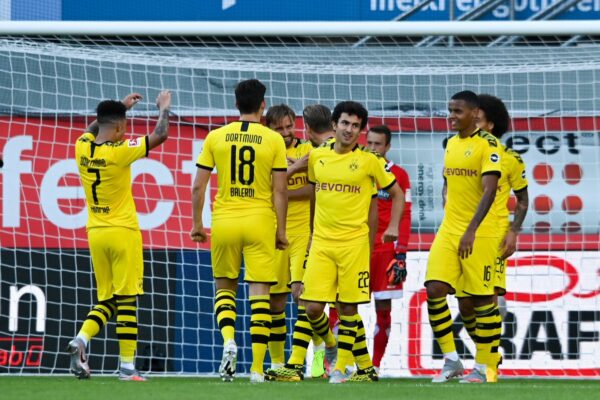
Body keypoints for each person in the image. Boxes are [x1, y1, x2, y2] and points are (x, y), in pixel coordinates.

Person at [268, 101, 405, 384]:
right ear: (334, 125)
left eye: (355, 126)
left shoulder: (370, 161)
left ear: (360, 131)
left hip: (353, 244)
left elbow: (397, 193)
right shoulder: (318, 157)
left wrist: (391, 228)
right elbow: (316, 194)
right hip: (320, 242)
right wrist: (310, 233)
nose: (349, 130)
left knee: (347, 308)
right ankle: (338, 356)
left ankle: (338, 367)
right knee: (311, 306)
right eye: (345, 123)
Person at [68, 90, 172, 381]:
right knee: (127, 300)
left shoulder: (82, 147)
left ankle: (82, 339)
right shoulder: (120, 151)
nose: (125, 131)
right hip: (123, 232)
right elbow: (160, 135)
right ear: (118, 128)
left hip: (96, 233)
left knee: (107, 299)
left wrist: (119, 110)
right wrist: (163, 108)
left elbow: (95, 129)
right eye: (124, 125)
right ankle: (127, 368)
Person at [190, 79, 288, 383]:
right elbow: (280, 191)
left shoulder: (215, 137)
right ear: (263, 105)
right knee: (260, 294)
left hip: (225, 220)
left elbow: (198, 186)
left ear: (235, 105)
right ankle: (258, 369)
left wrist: (196, 224)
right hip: (259, 219)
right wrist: (281, 231)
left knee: (225, 289)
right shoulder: (273, 140)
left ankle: (228, 340)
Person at [426, 90, 503, 384]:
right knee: (434, 288)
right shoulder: (451, 144)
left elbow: (490, 190)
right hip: (449, 229)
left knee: (482, 300)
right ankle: (451, 360)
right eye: (450, 110)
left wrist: (471, 230)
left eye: (458, 111)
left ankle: (484, 368)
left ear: (475, 113)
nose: (452, 116)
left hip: (479, 232)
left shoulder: (489, 146)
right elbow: (449, 180)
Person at [456, 94, 529, 383]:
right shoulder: (463, 150)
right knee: (464, 304)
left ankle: (486, 366)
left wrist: (514, 230)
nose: (472, 120)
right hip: (464, 235)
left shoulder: (510, 158)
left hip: (493, 236)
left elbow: (522, 199)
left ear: (491, 124)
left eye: (479, 118)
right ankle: (489, 353)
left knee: (488, 299)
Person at [264, 104, 317, 372]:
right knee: (275, 303)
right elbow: (266, 190)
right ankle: (276, 364)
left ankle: (319, 357)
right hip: (274, 233)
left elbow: (312, 191)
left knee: (305, 299)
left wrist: (280, 191)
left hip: (303, 232)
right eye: (279, 128)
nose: (285, 133)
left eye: (289, 126)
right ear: (268, 129)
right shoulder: (265, 151)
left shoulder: (308, 150)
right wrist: (294, 169)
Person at [365, 125, 412, 374]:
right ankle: (335, 362)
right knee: (339, 307)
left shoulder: (400, 175)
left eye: (378, 144)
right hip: (356, 248)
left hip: (385, 252)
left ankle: (374, 365)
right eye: (369, 143)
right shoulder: (358, 166)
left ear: (387, 147)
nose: (372, 148)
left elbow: (405, 215)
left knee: (383, 312)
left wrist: (401, 253)